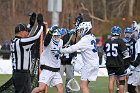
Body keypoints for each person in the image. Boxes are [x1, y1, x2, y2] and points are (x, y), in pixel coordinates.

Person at [59, 21, 99, 93]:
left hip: (88, 65)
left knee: (83, 86)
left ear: (85, 29)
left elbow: (73, 48)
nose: (80, 32)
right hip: (94, 63)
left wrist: (61, 51)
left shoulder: (85, 39)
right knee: (85, 85)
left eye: (81, 30)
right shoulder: (92, 37)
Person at [10, 13, 44, 93]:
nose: (27, 33)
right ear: (21, 32)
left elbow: (26, 34)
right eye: (25, 31)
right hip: (21, 74)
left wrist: (31, 24)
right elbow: (35, 37)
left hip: (20, 74)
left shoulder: (15, 41)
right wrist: (40, 25)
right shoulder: (21, 42)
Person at [31, 26, 64, 93]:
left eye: (58, 36)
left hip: (55, 70)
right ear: (52, 36)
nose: (57, 37)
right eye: (55, 36)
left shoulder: (61, 42)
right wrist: (50, 32)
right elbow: (47, 40)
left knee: (60, 89)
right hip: (47, 69)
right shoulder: (48, 42)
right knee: (41, 88)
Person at [103, 26, 131, 93]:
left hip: (109, 63)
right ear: (119, 33)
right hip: (119, 64)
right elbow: (126, 54)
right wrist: (127, 66)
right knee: (121, 81)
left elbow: (105, 55)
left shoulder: (107, 41)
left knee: (111, 80)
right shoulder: (120, 41)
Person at [60, 29, 75, 93]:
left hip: (69, 61)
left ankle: (68, 89)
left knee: (70, 78)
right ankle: (60, 89)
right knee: (59, 78)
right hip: (61, 62)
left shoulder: (70, 40)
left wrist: (74, 57)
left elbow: (74, 49)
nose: (61, 36)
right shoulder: (60, 41)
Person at [122, 27, 136, 93]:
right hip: (123, 60)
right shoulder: (121, 40)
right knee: (122, 76)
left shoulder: (133, 41)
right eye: (127, 33)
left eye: (129, 33)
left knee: (130, 76)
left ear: (131, 33)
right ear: (124, 33)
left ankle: (127, 90)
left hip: (131, 60)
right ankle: (123, 89)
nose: (128, 34)